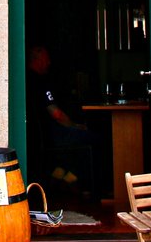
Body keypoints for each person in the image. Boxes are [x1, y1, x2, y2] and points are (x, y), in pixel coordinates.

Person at [27, 44, 98, 193]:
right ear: (38, 60)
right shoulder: (40, 83)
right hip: (49, 135)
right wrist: (74, 125)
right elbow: (56, 114)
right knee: (93, 138)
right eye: (46, 59)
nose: (49, 63)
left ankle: (61, 175)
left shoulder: (25, 80)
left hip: (37, 136)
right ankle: (81, 184)